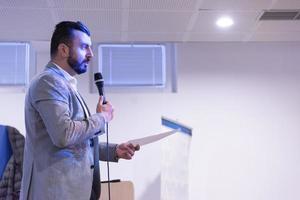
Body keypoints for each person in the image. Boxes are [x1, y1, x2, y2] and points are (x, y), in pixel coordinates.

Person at [20, 21, 139, 200]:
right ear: (64, 50)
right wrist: (102, 117)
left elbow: (76, 145)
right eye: (84, 47)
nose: (91, 54)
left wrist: (115, 151)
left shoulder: (65, 85)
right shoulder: (49, 82)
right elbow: (64, 135)